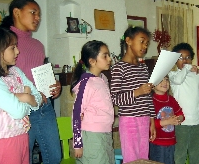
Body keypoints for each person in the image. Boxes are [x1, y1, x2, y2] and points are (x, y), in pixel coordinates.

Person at [0, 0, 62, 164]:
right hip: (20, 110)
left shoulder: (38, 45)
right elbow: (0, 78)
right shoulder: (3, 41)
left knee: (55, 157)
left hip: (44, 106)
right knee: (21, 159)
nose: (38, 18)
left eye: (39, 14)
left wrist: (54, 86)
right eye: (33, 12)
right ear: (17, 12)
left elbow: (40, 75)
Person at [0, 27, 42, 164]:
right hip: (5, 142)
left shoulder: (16, 72)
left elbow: (38, 99)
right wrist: (26, 97)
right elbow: (18, 112)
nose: (17, 51)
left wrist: (22, 97)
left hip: (23, 136)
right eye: (13, 48)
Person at [110, 26, 156, 163]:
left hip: (145, 119)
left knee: (143, 158)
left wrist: (152, 121)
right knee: (131, 159)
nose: (145, 46)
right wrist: (137, 92)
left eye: (147, 43)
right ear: (129, 41)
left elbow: (148, 97)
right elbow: (115, 98)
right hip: (129, 120)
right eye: (142, 41)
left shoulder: (143, 67)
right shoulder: (119, 68)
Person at [70, 40, 115, 164]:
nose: (109, 59)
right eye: (105, 56)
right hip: (92, 136)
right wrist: (78, 143)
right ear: (92, 61)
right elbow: (76, 113)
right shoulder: (86, 83)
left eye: (108, 55)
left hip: (105, 132)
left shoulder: (103, 79)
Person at [168, 43, 199, 164]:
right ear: (175, 60)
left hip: (197, 120)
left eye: (188, 57)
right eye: (181, 58)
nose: (185, 60)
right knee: (180, 152)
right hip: (181, 122)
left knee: (197, 152)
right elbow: (179, 80)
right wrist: (187, 68)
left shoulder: (197, 74)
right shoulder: (173, 75)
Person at [149, 76, 185, 164]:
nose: (165, 82)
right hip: (157, 142)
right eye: (160, 80)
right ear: (152, 85)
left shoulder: (171, 99)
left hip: (171, 141)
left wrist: (177, 119)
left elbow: (181, 115)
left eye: (166, 80)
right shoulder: (151, 101)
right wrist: (167, 121)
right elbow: (150, 123)